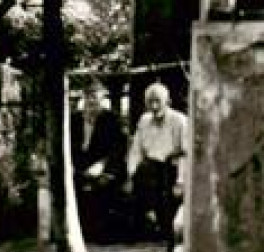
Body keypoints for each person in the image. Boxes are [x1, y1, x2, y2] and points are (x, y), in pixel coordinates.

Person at [126, 82, 187, 239]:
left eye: (157, 101)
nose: (154, 106)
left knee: (150, 174)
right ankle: (147, 222)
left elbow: (186, 153)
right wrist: (131, 174)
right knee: (143, 172)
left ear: (167, 101)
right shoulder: (144, 120)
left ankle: (156, 221)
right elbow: (136, 150)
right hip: (148, 171)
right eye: (150, 102)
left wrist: (180, 182)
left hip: (171, 169)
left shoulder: (179, 120)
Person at [71, 90, 127, 239]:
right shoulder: (74, 119)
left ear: (102, 101)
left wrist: (102, 166)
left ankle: (101, 232)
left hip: (104, 164)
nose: (91, 103)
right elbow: (68, 148)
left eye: (95, 98)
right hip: (79, 165)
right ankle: (79, 231)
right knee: (73, 184)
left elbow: (117, 150)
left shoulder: (111, 120)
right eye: (88, 98)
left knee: (103, 185)